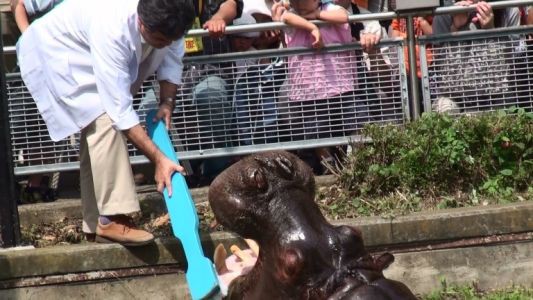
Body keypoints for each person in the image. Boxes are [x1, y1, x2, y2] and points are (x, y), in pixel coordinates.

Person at [16, 0, 196, 246]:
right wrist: (159, 159)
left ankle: (94, 224)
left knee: (97, 129)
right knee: (105, 119)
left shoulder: (171, 22)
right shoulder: (112, 25)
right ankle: (112, 217)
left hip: (84, 50)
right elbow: (119, 111)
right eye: (161, 39)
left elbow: (172, 60)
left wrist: (167, 102)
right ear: (143, 23)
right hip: (57, 52)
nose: (167, 43)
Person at [272, 0, 357, 173]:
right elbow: (287, 18)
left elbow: (343, 16)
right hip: (309, 91)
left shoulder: (330, 9)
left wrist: (316, 16)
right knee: (317, 132)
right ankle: (329, 168)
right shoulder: (292, 15)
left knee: (356, 122)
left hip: (340, 85)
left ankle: (357, 163)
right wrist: (312, 27)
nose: (300, 3)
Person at [431, 0, 521, 113]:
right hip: (456, 96)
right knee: (444, 107)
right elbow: (443, 72)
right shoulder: (444, 13)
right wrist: (455, 29)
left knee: (507, 104)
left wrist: (491, 31)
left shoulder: (509, 10)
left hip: (495, 95)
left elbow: (508, 66)